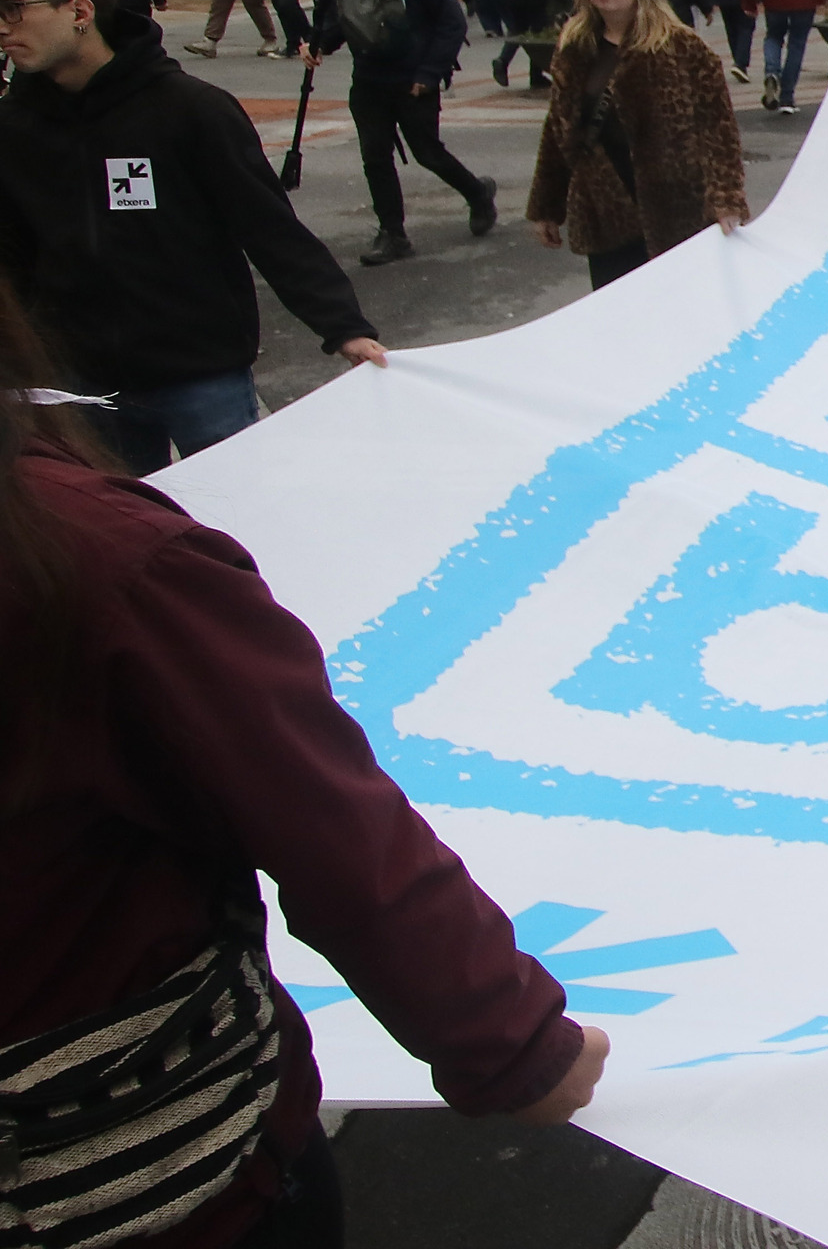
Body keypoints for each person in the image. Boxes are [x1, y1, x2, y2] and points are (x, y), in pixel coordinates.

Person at [0, 280, 609, 1249]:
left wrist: (333, 315)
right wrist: (516, 1046)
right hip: (140, 1173)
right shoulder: (97, 563)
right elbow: (334, 831)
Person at [0, 0, 384, 473]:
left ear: (80, 12)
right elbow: (11, 255)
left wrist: (344, 326)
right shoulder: (14, 127)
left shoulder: (188, 110)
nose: (2, 26)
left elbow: (268, 227)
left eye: (11, 8)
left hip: (200, 372)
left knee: (240, 517)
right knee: (129, 536)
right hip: (81, 381)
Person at [528, 0, 748, 291]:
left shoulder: (682, 48)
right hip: (606, 210)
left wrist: (726, 199)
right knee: (623, 321)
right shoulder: (575, 47)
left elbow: (718, 130)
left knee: (682, 315)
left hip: (676, 208)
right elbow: (558, 131)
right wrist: (546, 206)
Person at [309, 0, 497, 266]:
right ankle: (392, 233)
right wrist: (318, 45)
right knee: (375, 157)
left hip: (412, 81)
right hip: (368, 80)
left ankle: (477, 192)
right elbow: (343, 19)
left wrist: (429, 73)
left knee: (427, 152)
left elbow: (451, 22)